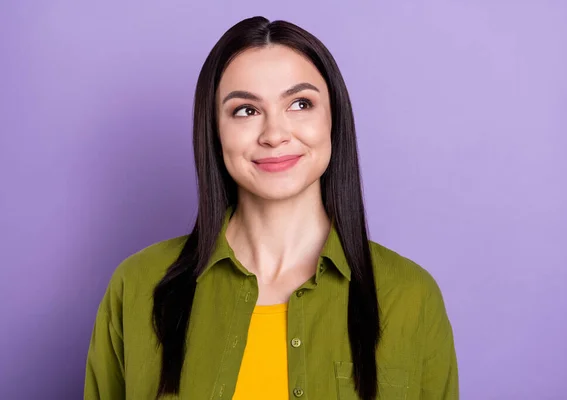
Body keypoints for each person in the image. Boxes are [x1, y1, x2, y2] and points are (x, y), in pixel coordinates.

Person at [84, 16, 458, 400]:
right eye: (246, 110)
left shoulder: (412, 297)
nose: (275, 135)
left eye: (300, 103)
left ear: (334, 120)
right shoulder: (138, 286)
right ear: (214, 130)